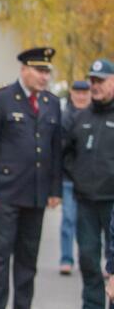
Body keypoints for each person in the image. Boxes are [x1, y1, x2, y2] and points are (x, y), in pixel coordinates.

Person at [0, 47, 62, 309]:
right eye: (39, 70)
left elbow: (55, 149)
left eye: (47, 71)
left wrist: (54, 190)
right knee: (1, 257)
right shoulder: (1, 98)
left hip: (36, 193)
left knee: (28, 260)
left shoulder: (51, 103)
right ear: (24, 69)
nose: (44, 77)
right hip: (6, 192)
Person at [64, 60, 114, 308]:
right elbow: (66, 153)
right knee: (87, 259)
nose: (95, 86)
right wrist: (79, 177)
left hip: (112, 203)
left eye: (100, 81)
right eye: (92, 80)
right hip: (86, 202)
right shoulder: (81, 117)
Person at [60, 79, 91, 276]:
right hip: (69, 179)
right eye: (77, 93)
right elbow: (62, 150)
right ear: (71, 93)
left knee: (89, 223)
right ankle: (66, 259)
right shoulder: (65, 117)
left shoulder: (96, 115)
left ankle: (87, 259)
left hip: (91, 181)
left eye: (84, 93)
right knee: (69, 220)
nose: (81, 96)